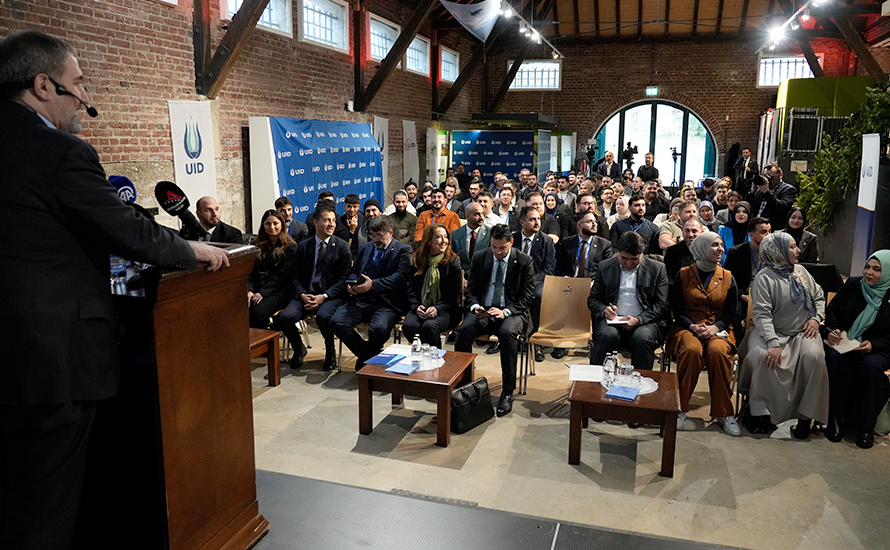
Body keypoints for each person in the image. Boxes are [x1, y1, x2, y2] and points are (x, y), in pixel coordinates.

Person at [0, 30, 229, 549]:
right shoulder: (56, 151)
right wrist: (193, 249)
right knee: (43, 511)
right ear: (43, 84)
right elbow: (127, 229)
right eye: (79, 84)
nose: (86, 97)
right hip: (50, 362)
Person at [738, 232, 828, 438]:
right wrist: (773, 343)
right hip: (770, 332)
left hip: (803, 332)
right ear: (777, 252)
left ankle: (806, 418)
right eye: (793, 247)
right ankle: (761, 414)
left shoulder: (801, 271)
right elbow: (761, 315)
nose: (798, 251)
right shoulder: (764, 278)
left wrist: (816, 318)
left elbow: (819, 297)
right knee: (763, 358)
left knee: (814, 357)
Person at [455, 224, 535, 417]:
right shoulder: (481, 257)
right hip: (485, 310)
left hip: (512, 312)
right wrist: (475, 307)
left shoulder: (524, 261)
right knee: (463, 331)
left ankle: (507, 392)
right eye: (494, 247)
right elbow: (472, 289)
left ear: (511, 243)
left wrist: (506, 312)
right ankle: (463, 387)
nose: (498, 252)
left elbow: (527, 296)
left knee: (508, 335)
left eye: (502, 248)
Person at [666, 232, 740, 436]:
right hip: (688, 327)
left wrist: (716, 327)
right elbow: (677, 309)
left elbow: (732, 312)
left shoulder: (728, 277)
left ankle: (724, 413)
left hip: (718, 328)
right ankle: (680, 408)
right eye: (714, 245)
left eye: (721, 245)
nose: (720, 249)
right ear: (701, 248)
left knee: (717, 351)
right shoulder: (682, 274)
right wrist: (691, 326)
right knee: (691, 350)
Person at [322, 215, 413, 370]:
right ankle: (369, 356)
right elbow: (353, 271)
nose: (376, 239)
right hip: (361, 299)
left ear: (390, 233)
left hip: (387, 303)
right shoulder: (365, 248)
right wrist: (352, 283)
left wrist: (373, 285)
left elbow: (401, 277)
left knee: (378, 329)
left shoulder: (403, 250)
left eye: (380, 235)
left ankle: (366, 357)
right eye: (373, 235)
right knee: (336, 322)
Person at [824, 251, 890, 448]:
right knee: (835, 359)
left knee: (871, 368)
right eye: (867, 267)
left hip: (878, 348)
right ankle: (835, 418)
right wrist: (833, 330)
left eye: (877, 269)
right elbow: (833, 310)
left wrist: (873, 345)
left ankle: (865, 426)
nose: (869, 273)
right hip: (848, 341)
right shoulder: (854, 284)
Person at [278, 203, 352, 369]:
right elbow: (295, 276)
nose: (331, 224)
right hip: (306, 294)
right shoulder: (304, 246)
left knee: (324, 317)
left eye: (333, 220)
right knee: (284, 318)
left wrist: (324, 297)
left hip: (329, 296)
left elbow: (344, 279)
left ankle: (330, 352)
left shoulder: (342, 246)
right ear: (315, 222)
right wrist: (302, 294)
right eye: (327, 220)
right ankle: (298, 348)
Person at [588, 232, 670, 369]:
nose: (629, 263)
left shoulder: (657, 269)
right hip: (613, 321)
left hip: (645, 321)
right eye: (624, 258)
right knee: (605, 336)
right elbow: (593, 299)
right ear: (618, 252)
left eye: (634, 259)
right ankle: (597, 383)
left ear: (642, 254)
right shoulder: (605, 266)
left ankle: (640, 383)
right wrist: (604, 310)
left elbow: (662, 305)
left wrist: (639, 319)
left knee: (642, 339)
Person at [402, 224, 463, 347]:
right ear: (429, 241)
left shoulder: (453, 262)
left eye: (446, 237)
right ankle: (422, 355)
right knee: (409, 326)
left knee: (429, 327)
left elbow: (453, 294)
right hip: (421, 307)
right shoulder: (417, 260)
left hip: (446, 309)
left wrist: (436, 308)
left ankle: (433, 358)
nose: (444, 241)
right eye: (439, 237)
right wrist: (417, 307)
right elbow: (411, 289)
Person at [514, 206, 556, 362]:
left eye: (538, 218)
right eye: (532, 219)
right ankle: (510, 337)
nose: (537, 222)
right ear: (522, 222)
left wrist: (529, 281)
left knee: (538, 295)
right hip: (515, 280)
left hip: (537, 281)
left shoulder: (546, 241)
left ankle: (534, 339)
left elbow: (548, 269)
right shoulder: (513, 239)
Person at [247, 210, 297, 330]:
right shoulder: (256, 245)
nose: (272, 227)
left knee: (257, 313)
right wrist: (249, 290)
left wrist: (262, 293)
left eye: (275, 223)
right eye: (268, 224)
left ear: (282, 225)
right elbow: (249, 272)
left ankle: (263, 344)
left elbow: (282, 276)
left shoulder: (290, 247)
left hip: (279, 290)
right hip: (257, 287)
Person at [451, 202, 490, 275]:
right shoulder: (456, 234)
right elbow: (453, 259)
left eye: (482, 214)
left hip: (482, 275)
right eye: (477, 214)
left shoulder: (490, 233)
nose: (481, 217)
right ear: (467, 216)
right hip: (461, 275)